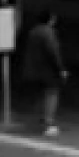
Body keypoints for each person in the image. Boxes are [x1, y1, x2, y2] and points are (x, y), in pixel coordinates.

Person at [24, 9, 67, 137]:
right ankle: (48, 123)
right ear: (50, 19)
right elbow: (53, 52)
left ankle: (40, 120)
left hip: (34, 69)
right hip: (48, 70)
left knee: (40, 95)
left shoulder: (33, 32)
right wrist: (61, 69)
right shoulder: (48, 33)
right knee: (51, 95)